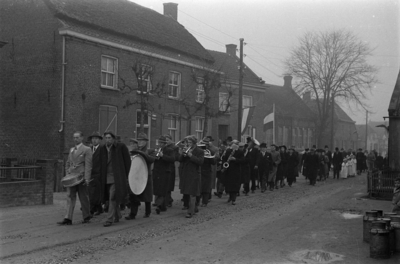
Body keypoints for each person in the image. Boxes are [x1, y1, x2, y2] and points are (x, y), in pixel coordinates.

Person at [57, 131, 92, 225]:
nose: (75, 139)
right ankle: (68, 218)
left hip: (81, 177)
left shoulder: (87, 149)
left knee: (83, 197)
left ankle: (86, 216)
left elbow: (88, 165)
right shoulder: (72, 149)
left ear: (82, 138)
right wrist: (67, 173)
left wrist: (87, 178)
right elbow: (68, 162)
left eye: (77, 137)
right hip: (72, 178)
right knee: (70, 196)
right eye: (74, 137)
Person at [99, 131, 131, 227]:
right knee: (111, 197)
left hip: (117, 177)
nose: (108, 139)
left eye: (109, 138)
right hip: (106, 177)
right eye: (106, 138)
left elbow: (127, 162)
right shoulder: (102, 148)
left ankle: (109, 219)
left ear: (113, 138)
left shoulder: (121, 147)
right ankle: (117, 215)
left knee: (112, 196)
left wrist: (127, 176)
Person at [125, 133, 155, 220]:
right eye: (139, 140)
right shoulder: (134, 150)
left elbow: (151, 159)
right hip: (136, 175)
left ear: (146, 142)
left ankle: (148, 211)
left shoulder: (150, 150)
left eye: (142, 140)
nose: (140, 142)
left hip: (146, 175)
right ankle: (133, 214)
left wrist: (141, 153)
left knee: (147, 196)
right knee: (134, 194)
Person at [179, 135, 204, 218]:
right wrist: (183, 154)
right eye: (188, 142)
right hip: (186, 174)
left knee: (192, 194)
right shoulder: (186, 149)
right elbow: (180, 160)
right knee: (187, 193)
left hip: (194, 174)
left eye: (190, 142)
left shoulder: (200, 151)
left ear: (194, 143)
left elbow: (200, 162)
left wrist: (191, 156)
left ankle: (190, 212)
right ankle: (194, 208)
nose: (188, 144)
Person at [151, 135, 176, 215]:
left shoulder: (169, 150)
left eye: (162, 143)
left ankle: (159, 205)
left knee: (163, 189)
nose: (160, 144)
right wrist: (154, 156)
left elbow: (172, 159)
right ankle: (162, 206)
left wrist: (163, 156)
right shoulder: (157, 149)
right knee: (157, 189)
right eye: (159, 143)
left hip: (165, 172)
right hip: (157, 171)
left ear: (165, 143)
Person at [221, 140, 243, 205]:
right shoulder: (228, 151)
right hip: (229, 170)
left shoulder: (240, 152)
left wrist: (235, 159)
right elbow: (224, 159)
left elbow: (243, 160)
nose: (234, 145)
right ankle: (230, 197)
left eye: (236, 144)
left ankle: (233, 199)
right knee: (229, 185)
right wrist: (224, 164)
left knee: (235, 185)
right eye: (233, 144)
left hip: (236, 170)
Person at [88, 131, 104, 216]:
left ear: (99, 140)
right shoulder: (89, 149)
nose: (94, 140)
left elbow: (103, 162)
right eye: (93, 139)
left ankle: (91, 210)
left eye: (96, 139)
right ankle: (98, 209)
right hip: (90, 174)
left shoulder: (102, 149)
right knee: (92, 192)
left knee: (95, 193)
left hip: (98, 174)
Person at [196, 138, 215, 206]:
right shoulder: (198, 151)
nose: (205, 146)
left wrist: (208, 157)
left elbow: (213, 162)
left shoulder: (210, 151)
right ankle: (197, 202)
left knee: (206, 188)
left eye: (206, 145)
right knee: (199, 187)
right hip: (199, 170)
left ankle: (205, 202)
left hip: (207, 171)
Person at [163, 134, 179, 208]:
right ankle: (165, 200)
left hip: (171, 167)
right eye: (165, 140)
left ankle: (168, 200)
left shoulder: (174, 148)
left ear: (171, 140)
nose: (166, 142)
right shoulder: (164, 147)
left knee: (169, 185)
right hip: (164, 166)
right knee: (165, 184)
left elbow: (175, 157)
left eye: (167, 140)